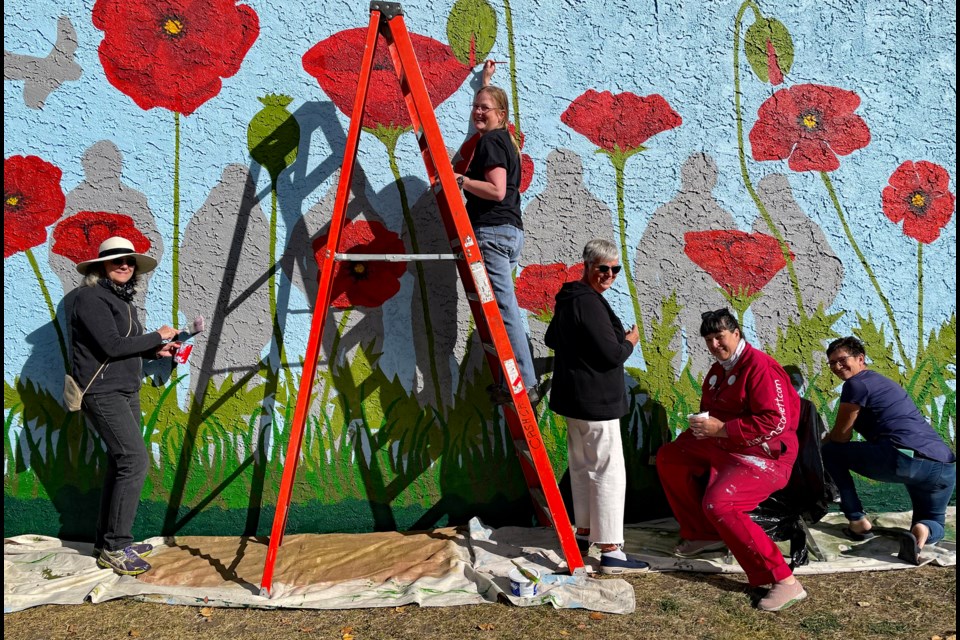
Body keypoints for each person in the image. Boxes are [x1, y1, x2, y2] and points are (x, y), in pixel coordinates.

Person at [656, 309, 806, 612]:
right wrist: (702, 428)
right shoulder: (718, 371)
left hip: (765, 455)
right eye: (708, 339)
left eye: (719, 336)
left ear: (736, 333)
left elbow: (776, 422)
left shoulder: (762, 367)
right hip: (725, 447)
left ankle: (784, 580)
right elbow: (714, 414)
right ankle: (703, 533)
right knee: (671, 457)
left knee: (720, 503)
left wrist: (723, 429)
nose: (714, 344)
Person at [71, 236, 180, 575]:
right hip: (102, 392)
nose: (124, 265)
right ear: (101, 265)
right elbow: (112, 345)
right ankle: (116, 547)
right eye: (117, 260)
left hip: (124, 390)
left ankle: (108, 542)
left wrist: (154, 352)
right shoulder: (89, 297)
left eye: (130, 262)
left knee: (122, 462)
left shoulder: (120, 301)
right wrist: (159, 336)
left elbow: (122, 347)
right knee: (133, 460)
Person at [543, 239, 648, 574]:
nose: (609, 275)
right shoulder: (589, 303)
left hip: (574, 399)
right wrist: (629, 341)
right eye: (603, 268)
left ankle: (585, 532)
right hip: (597, 401)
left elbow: (551, 339)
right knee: (607, 471)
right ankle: (612, 549)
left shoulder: (569, 298)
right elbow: (612, 354)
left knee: (583, 466)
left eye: (615, 269)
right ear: (587, 266)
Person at [821, 336, 956, 565]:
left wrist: (825, 439)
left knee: (831, 451)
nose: (837, 367)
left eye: (842, 360)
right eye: (831, 363)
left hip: (904, 458)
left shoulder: (856, 384)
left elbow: (842, 436)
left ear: (860, 358)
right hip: (944, 465)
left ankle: (857, 522)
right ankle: (922, 532)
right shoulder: (882, 382)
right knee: (933, 521)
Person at [453, 60, 538, 405]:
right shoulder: (503, 140)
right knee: (500, 309)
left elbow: (497, 190)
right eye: (475, 106)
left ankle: (527, 384)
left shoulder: (490, 144)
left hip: (492, 232)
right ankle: (513, 380)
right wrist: (484, 82)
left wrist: (462, 181)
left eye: (484, 108)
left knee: (504, 309)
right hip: (508, 233)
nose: (477, 112)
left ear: (500, 114)